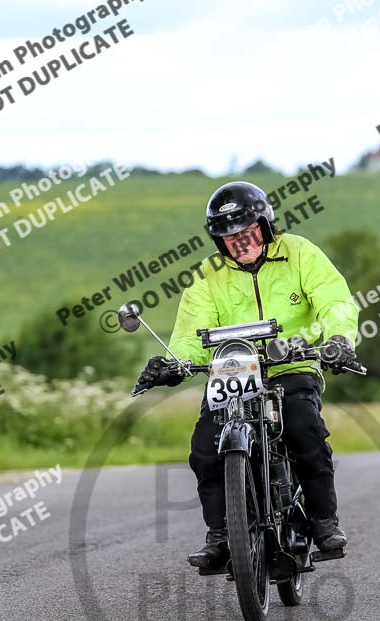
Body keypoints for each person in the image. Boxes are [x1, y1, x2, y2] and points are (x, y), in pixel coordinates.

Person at [134, 181, 362, 568]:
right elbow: (192, 334)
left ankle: (323, 520)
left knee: (304, 425)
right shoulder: (207, 275)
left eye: (246, 231)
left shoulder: (301, 253)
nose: (238, 241)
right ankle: (222, 534)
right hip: (231, 371)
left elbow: (335, 300)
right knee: (204, 447)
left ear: (266, 223)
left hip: (290, 364)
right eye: (228, 236)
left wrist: (339, 338)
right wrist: (172, 363)